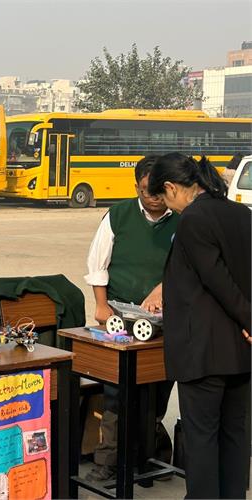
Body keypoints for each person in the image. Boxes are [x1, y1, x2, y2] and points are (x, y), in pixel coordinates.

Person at [147, 153, 251, 499]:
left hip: (203, 352)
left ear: (171, 187)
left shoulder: (193, 219)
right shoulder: (241, 213)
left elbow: (218, 281)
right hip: (240, 350)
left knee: (202, 438)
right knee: (235, 435)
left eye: (164, 199)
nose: (169, 207)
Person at [83, 156, 178, 481]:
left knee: (157, 391)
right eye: (145, 190)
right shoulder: (119, 214)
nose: (152, 197)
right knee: (116, 394)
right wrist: (101, 306)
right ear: (136, 186)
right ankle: (108, 462)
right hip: (119, 316)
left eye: (158, 190)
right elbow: (98, 263)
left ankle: (150, 458)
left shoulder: (182, 217)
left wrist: (164, 290)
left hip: (165, 321)